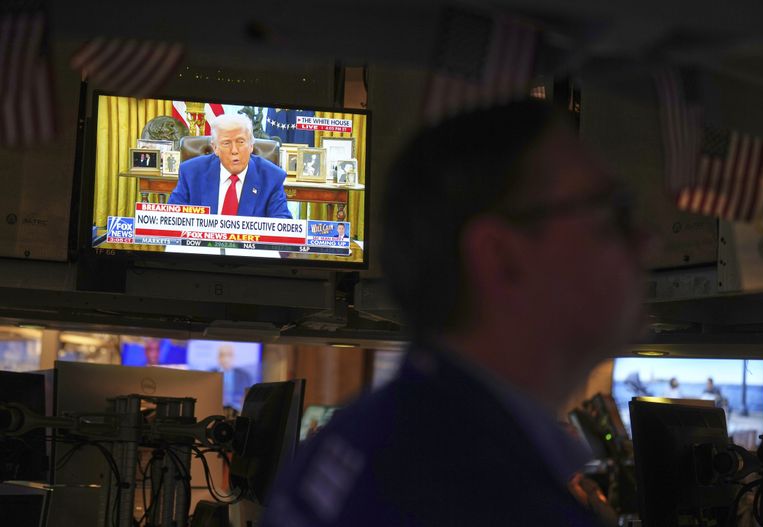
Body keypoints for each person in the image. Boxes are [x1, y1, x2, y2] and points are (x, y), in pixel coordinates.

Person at [261, 100, 654, 526]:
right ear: (500, 257)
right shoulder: (490, 499)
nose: (648, 242)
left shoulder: (352, 442)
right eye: (612, 213)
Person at [168, 114, 292, 218]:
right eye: (226, 143)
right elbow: (171, 218)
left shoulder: (272, 177)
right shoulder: (191, 173)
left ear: (251, 145)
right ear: (215, 147)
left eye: (240, 142)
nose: (234, 150)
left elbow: (283, 227)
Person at [212, 344, 253, 411]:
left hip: (238, 413)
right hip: (213, 411)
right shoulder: (210, 374)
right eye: (222, 355)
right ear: (218, 357)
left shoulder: (245, 376)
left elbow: (249, 399)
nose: (226, 359)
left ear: (234, 357)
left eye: (229, 355)